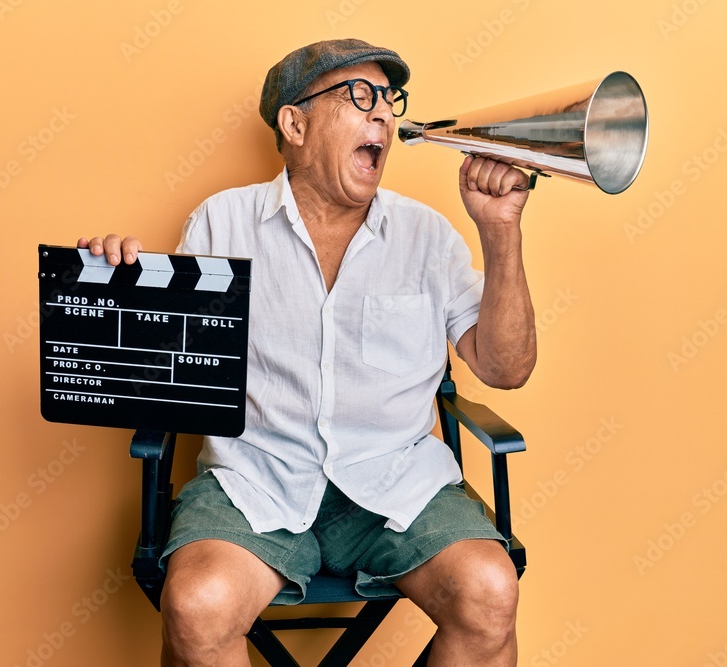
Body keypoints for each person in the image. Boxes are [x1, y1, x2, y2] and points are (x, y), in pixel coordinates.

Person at [79, 38, 536, 667]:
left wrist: (501, 231)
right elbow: (165, 370)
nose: (383, 115)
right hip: (254, 481)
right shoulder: (221, 222)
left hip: (396, 485)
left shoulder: (428, 235)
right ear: (295, 124)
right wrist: (113, 287)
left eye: (389, 100)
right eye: (359, 96)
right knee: (196, 605)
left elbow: (506, 368)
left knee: (490, 593)